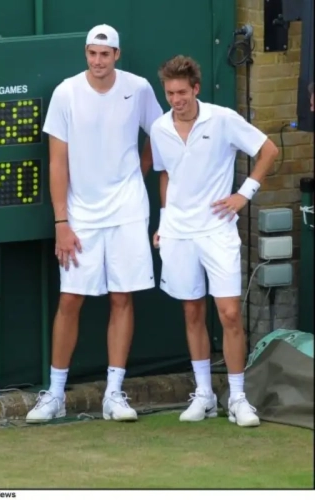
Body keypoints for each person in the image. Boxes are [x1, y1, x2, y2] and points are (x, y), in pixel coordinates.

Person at [26, 24, 163, 423]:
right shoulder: (66, 93)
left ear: (117, 55)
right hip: (79, 215)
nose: (98, 61)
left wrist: (138, 172)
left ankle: (114, 394)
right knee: (71, 299)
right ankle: (54, 395)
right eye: (92, 53)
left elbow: (160, 132)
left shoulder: (137, 89)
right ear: (85, 54)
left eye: (105, 54)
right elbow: (57, 161)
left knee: (122, 296)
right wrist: (61, 221)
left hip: (127, 210)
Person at [149, 55, 279, 427]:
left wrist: (244, 193)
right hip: (177, 232)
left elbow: (268, 150)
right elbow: (166, 176)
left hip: (218, 230)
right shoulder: (159, 128)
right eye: (170, 92)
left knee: (230, 313)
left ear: (196, 89)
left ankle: (237, 397)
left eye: (181, 92)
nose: (176, 99)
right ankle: (204, 395)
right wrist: (164, 220)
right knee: (192, 312)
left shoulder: (222, 119)